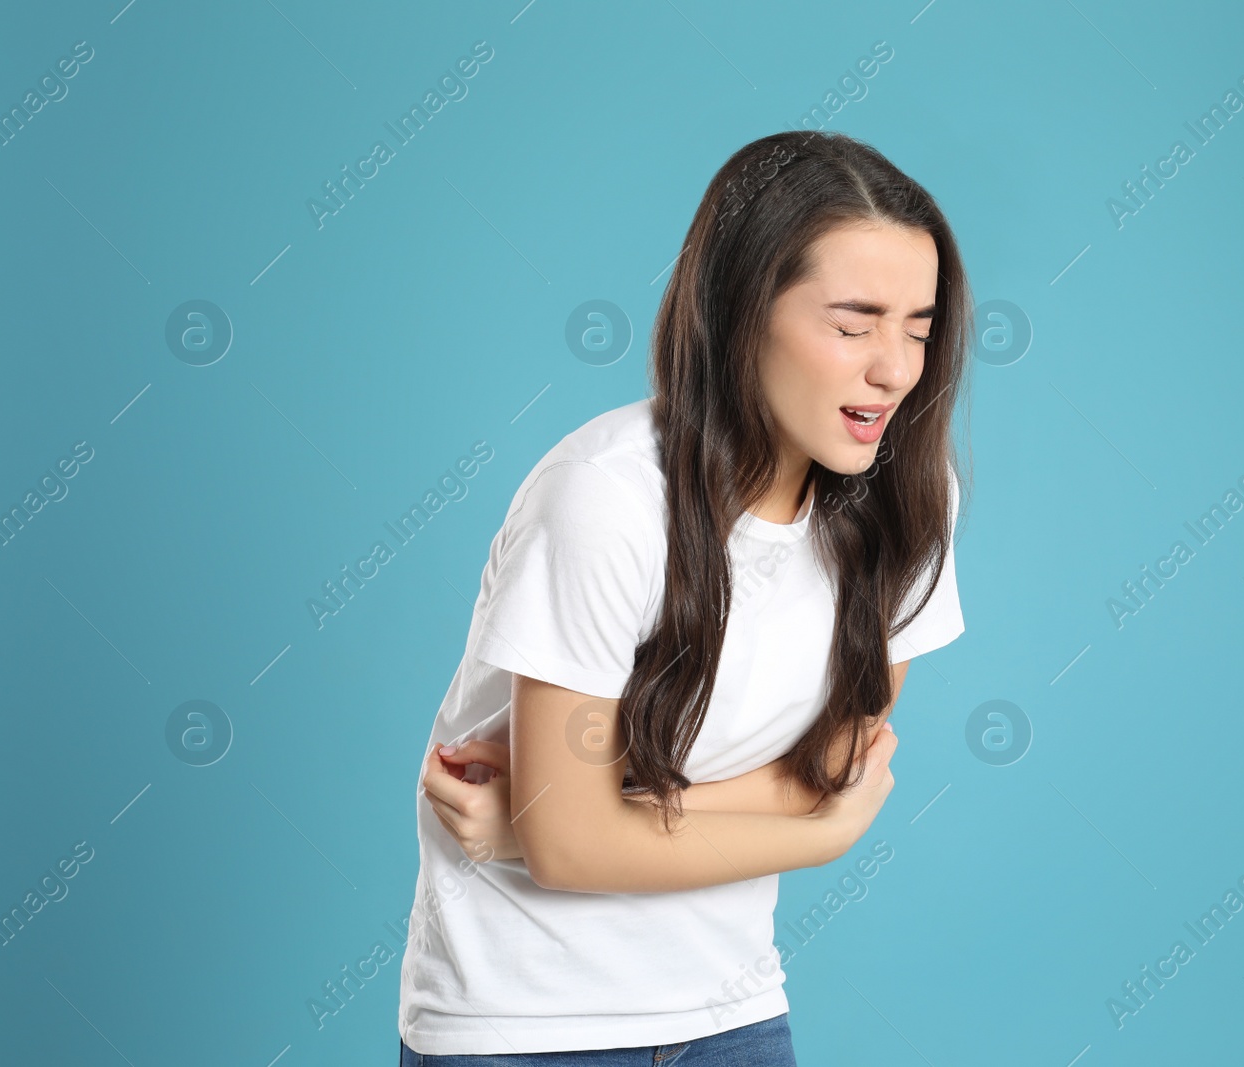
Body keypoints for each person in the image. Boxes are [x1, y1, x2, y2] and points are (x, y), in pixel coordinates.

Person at [396, 129, 972, 1064]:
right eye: (854, 321)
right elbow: (583, 845)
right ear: (743, 313)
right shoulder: (603, 497)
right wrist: (819, 834)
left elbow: (825, 770)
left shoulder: (911, 497)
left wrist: (558, 825)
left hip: (731, 1018)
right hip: (523, 1030)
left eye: (919, 324)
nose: (897, 368)